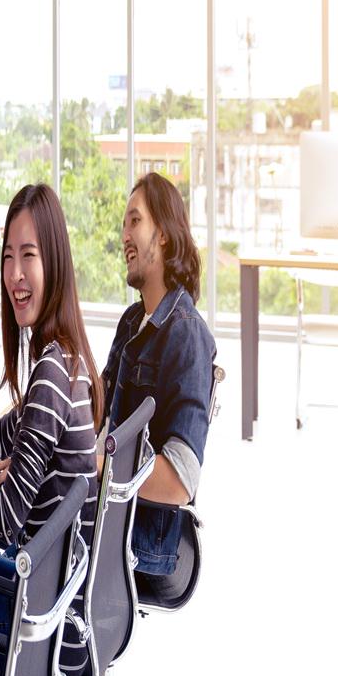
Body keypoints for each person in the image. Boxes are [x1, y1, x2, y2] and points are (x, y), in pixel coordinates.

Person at [0, 183, 103, 676]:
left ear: (55, 263)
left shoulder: (51, 373)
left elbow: (6, 517)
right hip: (58, 620)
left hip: (40, 643)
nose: (14, 274)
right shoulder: (66, 357)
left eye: (29, 256)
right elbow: (4, 432)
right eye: (8, 257)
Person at [98, 172, 217, 576]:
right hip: (102, 513)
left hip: (135, 540)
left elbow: (180, 480)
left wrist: (95, 468)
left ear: (163, 233)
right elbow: (97, 413)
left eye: (135, 221)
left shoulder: (187, 334)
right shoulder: (133, 321)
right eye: (124, 225)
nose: (124, 236)